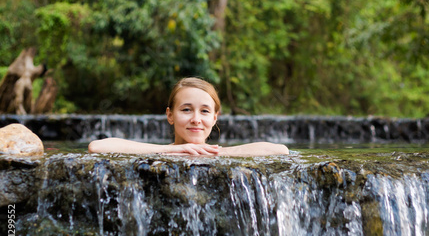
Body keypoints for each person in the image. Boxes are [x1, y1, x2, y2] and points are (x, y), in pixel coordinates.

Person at [88, 77, 289, 156]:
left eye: (204, 111)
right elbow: (97, 147)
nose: (196, 119)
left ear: (215, 118)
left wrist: (212, 154)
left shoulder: (217, 155)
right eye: (186, 110)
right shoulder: (159, 152)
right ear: (170, 115)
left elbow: (280, 150)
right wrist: (175, 150)